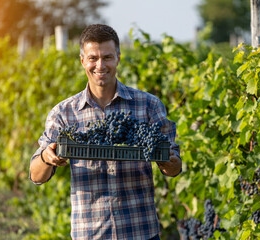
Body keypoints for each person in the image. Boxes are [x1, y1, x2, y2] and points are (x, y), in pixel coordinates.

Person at [29, 24, 182, 240]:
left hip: (139, 231)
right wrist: (47, 157)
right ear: (83, 61)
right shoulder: (64, 113)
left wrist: (168, 160)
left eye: (107, 57)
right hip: (90, 233)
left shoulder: (148, 106)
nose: (100, 65)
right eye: (93, 58)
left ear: (118, 58)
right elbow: (36, 176)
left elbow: (174, 167)